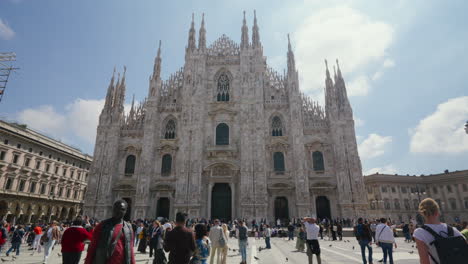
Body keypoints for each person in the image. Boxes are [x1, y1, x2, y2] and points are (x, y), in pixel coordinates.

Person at [413, 198, 467, 264]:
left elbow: (424, 261)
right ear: (437, 212)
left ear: (422, 213)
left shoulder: (419, 232)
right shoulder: (452, 229)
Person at [85, 200, 136, 264]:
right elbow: (93, 246)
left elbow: (130, 249)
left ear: (126, 211)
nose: (119, 211)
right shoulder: (102, 225)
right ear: (113, 209)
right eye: (116, 208)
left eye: (122, 209)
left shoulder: (128, 228)